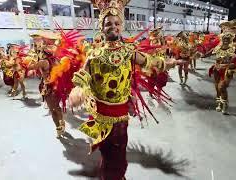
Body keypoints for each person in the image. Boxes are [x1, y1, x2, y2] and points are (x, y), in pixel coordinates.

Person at [68, 0, 176, 179]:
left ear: (122, 26)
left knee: (117, 155)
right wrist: (77, 91)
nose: (113, 26)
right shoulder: (94, 55)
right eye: (108, 23)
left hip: (120, 116)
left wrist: (168, 63)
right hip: (100, 115)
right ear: (101, 27)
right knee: (108, 153)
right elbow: (82, 77)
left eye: (117, 23)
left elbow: (150, 61)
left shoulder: (129, 51)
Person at [209, 21, 236, 115]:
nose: (227, 30)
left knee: (222, 87)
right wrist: (203, 54)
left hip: (227, 69)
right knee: (217, 87)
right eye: (224, 28)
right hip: (217, 67)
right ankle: (220, 103)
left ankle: (225, 104)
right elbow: (213, 49)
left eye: (233, 28)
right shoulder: (220, 42)